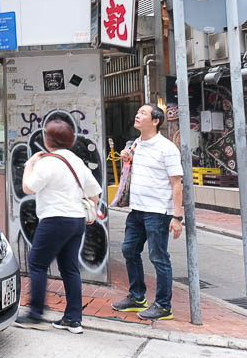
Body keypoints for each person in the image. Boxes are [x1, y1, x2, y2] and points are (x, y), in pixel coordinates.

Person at [15, 120, 101, 334]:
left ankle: (35, 313)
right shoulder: (76, 161)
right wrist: (91, 211)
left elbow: (28, 188)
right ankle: (73, 319)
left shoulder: (47, 162)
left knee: (36, 263)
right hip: (76, 221)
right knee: (69, 268)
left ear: (48, 139)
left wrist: (29, 165)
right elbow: (94, 192)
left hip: (54, 220)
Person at [112, 104, 184, 321]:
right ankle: (137, 297)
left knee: (158, 257)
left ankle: (163, 306)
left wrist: (177, 217)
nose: (137, 115)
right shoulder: (136, 144)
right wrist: (126, 157)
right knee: (129, 250)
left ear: (155, 121)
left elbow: (177, 184)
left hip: (158, 212)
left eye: (143, 113)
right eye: (138, 112)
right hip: (137, 210)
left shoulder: (167, 148)